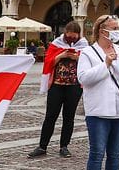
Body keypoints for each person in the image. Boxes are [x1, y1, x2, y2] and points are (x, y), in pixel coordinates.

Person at [76, 15, 119, 170]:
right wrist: (105, 64)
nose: (117, 31)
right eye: (113, 28)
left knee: (115, 154)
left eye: (117, 27)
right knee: (97, 153)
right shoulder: (88, 53)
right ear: (102, 30)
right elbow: (83, 78)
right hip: (98, 111)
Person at [28, 21, 88, 159]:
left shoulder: (84, 46)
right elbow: (48, 62)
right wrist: (61, 56)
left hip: (74, 86)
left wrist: (76, 58)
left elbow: (88, 64)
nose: (71, 40)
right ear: (65, 34)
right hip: (56, 85)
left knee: (69, 117)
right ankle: (42, 146)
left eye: (74, 37)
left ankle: (64, 146)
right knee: (50, 116)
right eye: (69, 37)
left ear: (78, 35)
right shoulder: (56, 44)